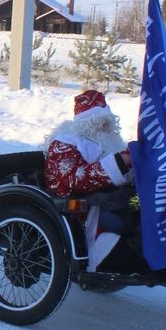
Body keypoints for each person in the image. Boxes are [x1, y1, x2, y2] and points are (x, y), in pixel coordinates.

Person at [44, 89, 135, 272]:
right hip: (79, 210)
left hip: (110, 200)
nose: (106, 128)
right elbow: (76, 178)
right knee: (128, 221)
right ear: (85, 123)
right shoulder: (64, 143)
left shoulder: (108, 143)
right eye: (100, 122)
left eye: (108, 123)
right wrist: (121, 162)